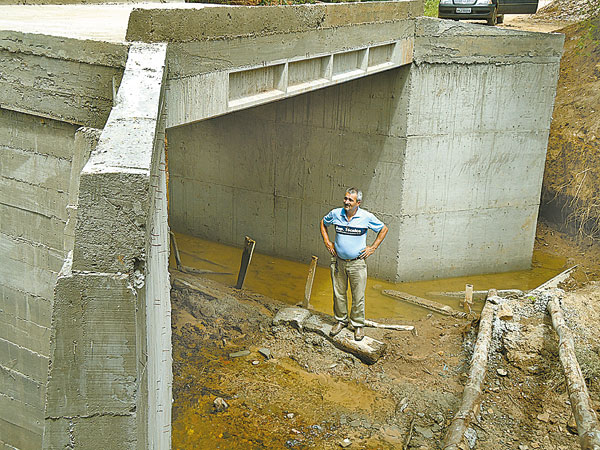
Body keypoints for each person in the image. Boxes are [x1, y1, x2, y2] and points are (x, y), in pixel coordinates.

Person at [320, 188, 388, 341]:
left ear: (358, 203)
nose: (346, 202)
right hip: (338, 262)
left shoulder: (366, 217)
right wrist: (327, 241)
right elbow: (323, 223)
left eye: (350, 200)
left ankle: (357, 325)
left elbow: (383, 229)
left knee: (358, 296)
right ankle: (340, 321)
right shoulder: (336, 214)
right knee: (339, 293)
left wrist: (373, 248)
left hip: (357, 264)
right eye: (345, 199)